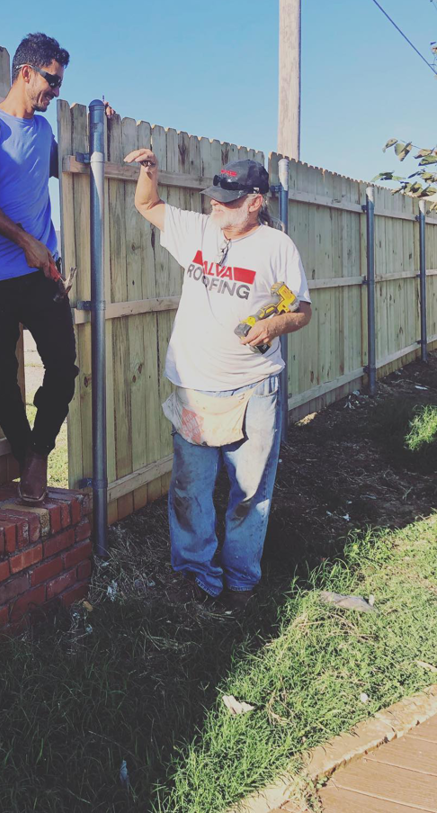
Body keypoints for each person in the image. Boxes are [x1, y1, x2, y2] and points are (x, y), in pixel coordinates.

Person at [127, 150, 312, 610]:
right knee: (190, 491)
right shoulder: (200, 231)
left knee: (249, 493)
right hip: (195, 387)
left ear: (255, 201)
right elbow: (148, 207)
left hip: (254, 391)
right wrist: (149, 174)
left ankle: (241, 583)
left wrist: (272, 326)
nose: (215, 207)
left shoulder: (277, 247)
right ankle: (196, 578)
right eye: (213, 198)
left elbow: (301, 309)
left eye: (226, 201)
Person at [0, 32, 76, 506]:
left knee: (63, 368)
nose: (55, 91)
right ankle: (25, 453)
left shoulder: (45, 132)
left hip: (38, 274)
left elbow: (48, 187)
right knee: (1, 379)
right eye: (51, 80)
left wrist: (47, 249)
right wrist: (24, 240)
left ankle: (40, 450)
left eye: (60, 83)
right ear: (26, 73)